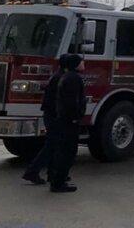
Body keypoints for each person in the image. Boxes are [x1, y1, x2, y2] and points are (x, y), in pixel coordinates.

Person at [21, 57, 66, 185]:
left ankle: (51, 173)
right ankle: (32, 172)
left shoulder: (57, 76)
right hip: (55, 116)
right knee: (51, 146)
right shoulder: (62, 78)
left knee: (54, 145)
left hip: (51, 115)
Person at [48, 53, 86, 193]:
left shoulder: (66, 77)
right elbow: (72, 101)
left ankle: (57, 180)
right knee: (68, 151)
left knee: (62, 150)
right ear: (75, 64)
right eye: (81, 62)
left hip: (63, 119)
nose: (83, 64)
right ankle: (59, 182)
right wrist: (75, 117)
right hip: (69, 121)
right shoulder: (74, 79)